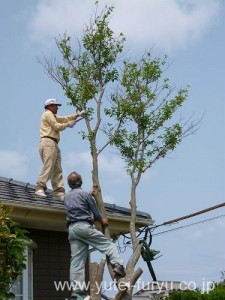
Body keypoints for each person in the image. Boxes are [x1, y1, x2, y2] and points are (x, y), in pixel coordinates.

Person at [64, 171, 126, 300]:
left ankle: (77, 290)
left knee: (77, 261)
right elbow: (94, 210)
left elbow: (79, 199)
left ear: (69, 184)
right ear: (80, 182)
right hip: (83, 226)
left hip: (72, 228)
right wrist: (101, 219)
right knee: (108, 244)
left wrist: (90, 194)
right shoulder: (86, 195)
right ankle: (118, 265)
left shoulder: (67, 196)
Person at [35, 98, 85, 200]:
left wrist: (77, 115)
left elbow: (64, 118)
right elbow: (56, 126)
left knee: (57, 168)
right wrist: (68, 125)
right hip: (48, 142)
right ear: (50, 106)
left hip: (53, 143)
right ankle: (40, 187)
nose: (57, 107)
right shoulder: (48, 114)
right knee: (49, 165)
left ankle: (58, 192)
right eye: (55, 105)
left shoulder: (52, 115)